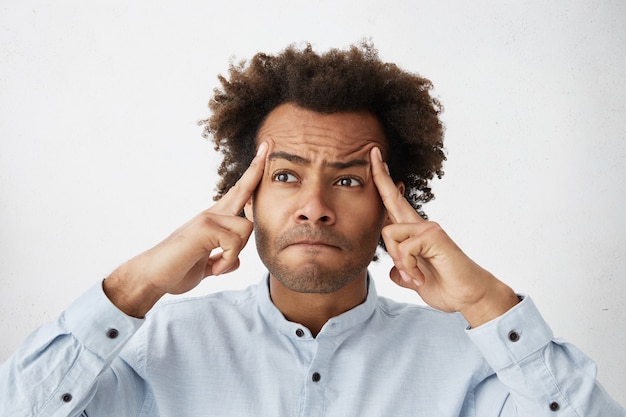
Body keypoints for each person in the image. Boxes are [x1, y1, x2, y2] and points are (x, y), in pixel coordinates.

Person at [1, 41, 624, 417]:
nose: (315, 207)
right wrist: (133, 285)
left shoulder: (467, 361)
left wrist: (487, 303)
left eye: (350, 180)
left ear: (390, 206)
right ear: (243, 197)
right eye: (286, 176)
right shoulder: (160, 345)